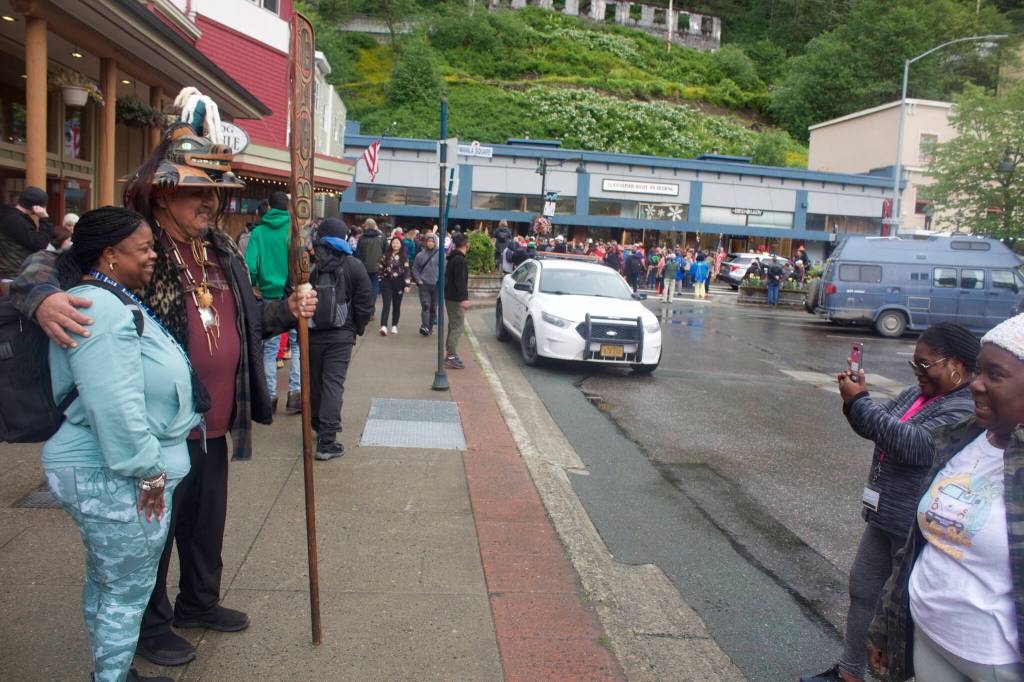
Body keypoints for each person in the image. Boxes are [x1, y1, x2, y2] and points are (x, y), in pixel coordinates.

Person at [9, 101, 317, 668]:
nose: (211, 203)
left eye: (216, 194)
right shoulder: (133, 245)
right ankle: (148, 630)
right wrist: (43, 298)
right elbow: (43, 267)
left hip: (216, 421)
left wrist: (287, 307)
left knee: (205, 524)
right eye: (197, 193)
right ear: (161, 196)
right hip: (158, 430)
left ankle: (199, 603)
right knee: (155, 531)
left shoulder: (222, 249)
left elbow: (246, 319)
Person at [45, 207, 198, 682]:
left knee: (110, 582)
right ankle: (111, 676)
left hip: (115, 472)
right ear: (111, 255)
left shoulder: (113, 299)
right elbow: (114, 404)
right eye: (145, 248)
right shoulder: (103, 307)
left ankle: (112, 672)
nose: (154, 256)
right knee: (125, 593)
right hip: (116, 475)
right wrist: (147, 470)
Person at [800, 323, 980, 682]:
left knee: (900, 610)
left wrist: (859, 401)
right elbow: (876, 425)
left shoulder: (966, 406)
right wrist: (857, 400)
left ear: (956, 364)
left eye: (925, 365)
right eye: (915, 365)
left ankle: (893, 675)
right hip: (883, 513)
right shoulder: (919, 394)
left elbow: (914, 445)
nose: (918, 373)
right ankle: (850, 672)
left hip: (914, 525)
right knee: (863, 589)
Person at [866, 313, 1024, 682]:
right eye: (978, 371)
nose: (976, 385)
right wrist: (885, 625)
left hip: (994, 660)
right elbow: (915, 547)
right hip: (929, 640)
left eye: (995, 375)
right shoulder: (958, 441)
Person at [307, 218, 373, 461]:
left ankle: (316, 424)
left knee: (315, 383)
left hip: (314, 334)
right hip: (341, 335)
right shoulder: (354, 265)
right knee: (333, 383)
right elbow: (365, 302)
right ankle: (327, 441)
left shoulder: (311, 265)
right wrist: (357, 328)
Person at [245, 191, 301, 414]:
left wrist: (255, 283)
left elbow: (249, 265)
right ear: (287, 207)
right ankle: (295, 394)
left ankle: (269, 396)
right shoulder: (295, 231)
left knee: (269, 349)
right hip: (293, 293)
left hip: (268, 294)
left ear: (268, 207)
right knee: (297, 345)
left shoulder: (258, 232)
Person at [0, 186, 68, 279]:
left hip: (11, 271)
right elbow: (39, 244)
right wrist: (44, 219)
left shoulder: (10, 216)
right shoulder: (15, 220)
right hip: (14, 273)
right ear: (37, 207)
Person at [444, 232, 470, 370]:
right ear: (466, 244)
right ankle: (451, 356)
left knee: (453, 326)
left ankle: (450, 354)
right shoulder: (460, 260)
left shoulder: (453, 258)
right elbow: (460, 281)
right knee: (457, 327)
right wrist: (464, 298)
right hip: (455, 298)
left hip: (450, 296)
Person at [378, 235, 411, 336]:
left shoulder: (404, 257)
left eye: (397, 243)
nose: (395, 244)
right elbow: (380, 268)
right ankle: (383, 326)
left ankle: (394, 325)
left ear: (401, 245)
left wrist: (407, 284)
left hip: (399, 283)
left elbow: (407, 271)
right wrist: (380, 280)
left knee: (397, 305)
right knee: (386, 304)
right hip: (386, 282)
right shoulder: (385, 255)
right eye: (393, 242)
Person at [355, 217, 385, 318]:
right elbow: (385, 251)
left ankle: (365, 311)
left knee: (364, 289)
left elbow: (358, 254)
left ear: (367, 226)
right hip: (377, 268)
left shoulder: (362, 238)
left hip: (364, 267)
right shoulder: (381, 237)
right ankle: (371, 311)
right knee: (374, 289)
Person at [413, 232, 441, 336]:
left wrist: (442, 281)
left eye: (432, 242)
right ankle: (424, 326)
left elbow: (444, 269)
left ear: (435, 243)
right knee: (426, 305)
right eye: (428, 241)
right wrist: (418, 280)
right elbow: (415, 268)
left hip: (436, 285)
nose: (430, 243)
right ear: (425, 242)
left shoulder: (440, 254)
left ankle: (430, 327)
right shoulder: (420, 255)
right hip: (424, 284)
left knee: (433, 307)